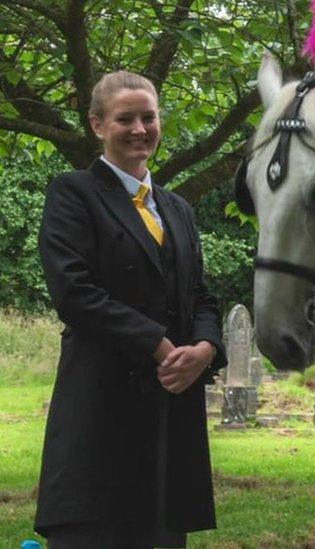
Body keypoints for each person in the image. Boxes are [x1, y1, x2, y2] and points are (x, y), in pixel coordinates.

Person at [35, 70, 227, 548]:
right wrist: (159, 345)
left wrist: (204, 348)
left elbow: (201, 295)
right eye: (125, 119)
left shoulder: (177, 208)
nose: (140, 129)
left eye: (149, 117)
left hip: (171, 412)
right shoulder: (72, 193)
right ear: (98, 124)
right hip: (101, 409)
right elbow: (74, 293)